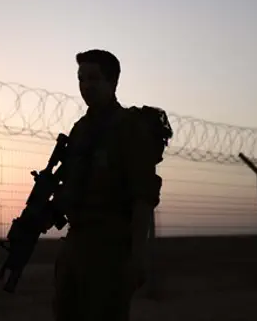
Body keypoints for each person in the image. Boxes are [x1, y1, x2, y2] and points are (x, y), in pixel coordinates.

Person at [53, 49, 163, 321]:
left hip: (111, 250)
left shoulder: (129, 127)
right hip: (76, 244)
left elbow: (143, 197)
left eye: (94, 78)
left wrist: (137, 257)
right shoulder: (81, 129)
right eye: (81, 78)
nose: (86, 86)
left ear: (113, 82)